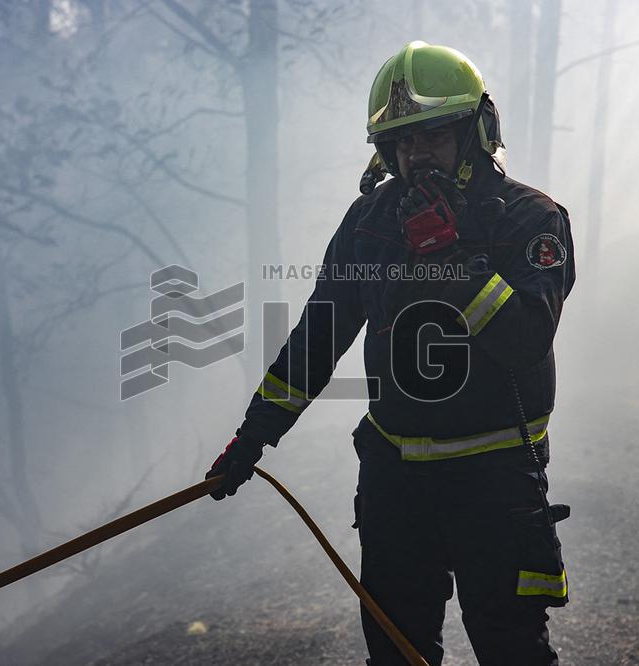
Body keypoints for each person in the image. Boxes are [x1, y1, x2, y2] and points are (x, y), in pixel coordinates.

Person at [206, 40, 575, 666]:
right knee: (396, 650)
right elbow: (317, 339)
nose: (414, 154)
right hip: (395, 481)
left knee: (511, 648)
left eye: (431, 135)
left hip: (497, 481)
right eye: (401, 142)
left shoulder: (531, 221)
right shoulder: (369, 223)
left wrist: (454, 264)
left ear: (475, 133)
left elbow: (524, 341)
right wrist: (253, 437)